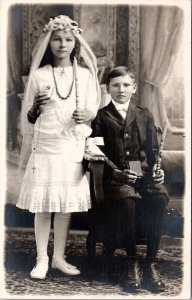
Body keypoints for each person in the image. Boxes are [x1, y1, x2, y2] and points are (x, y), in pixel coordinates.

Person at [16, 15, 100, 280]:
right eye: (56, 39)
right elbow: (29, 118)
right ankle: (41, 259)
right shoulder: (39, 75)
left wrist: (86, 114)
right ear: (48, 42)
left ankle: (59, 258)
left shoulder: (85, 76)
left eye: (67, 40)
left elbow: (92, 109)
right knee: (44, 206)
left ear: (75, 43)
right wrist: (35, 108)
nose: (62, 44)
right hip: (45, 146)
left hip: (70, 146)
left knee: (64, 206)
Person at [90, 66, 169, 292]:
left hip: (140, 174)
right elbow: (96, 156)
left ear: (134, 88)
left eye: (126, 85)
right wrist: (117, 173)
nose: (121, 90)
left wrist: (157, 171)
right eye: (115, 85)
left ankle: (150, 263)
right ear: (108, 89)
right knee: (127, 198)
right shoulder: (101, 117)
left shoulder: (144, 113)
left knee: (160, 196)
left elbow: (153, 151)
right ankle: (132, 262)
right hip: (114, 178)